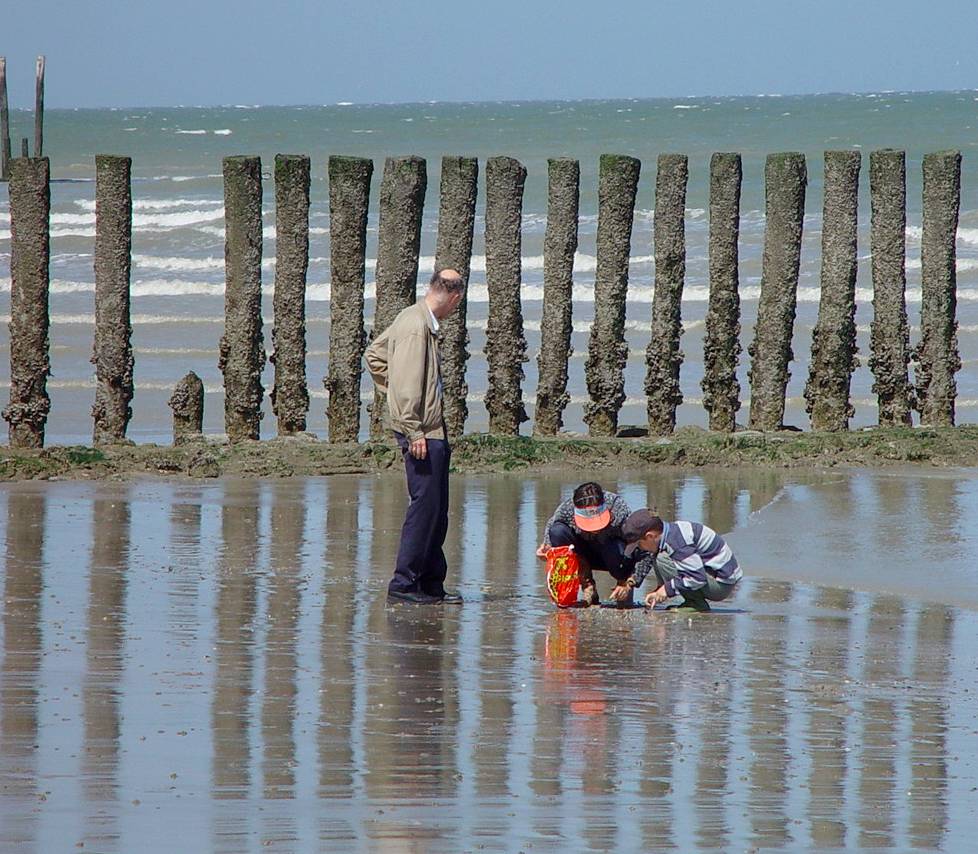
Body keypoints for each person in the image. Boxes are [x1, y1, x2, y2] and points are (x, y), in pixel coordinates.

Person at [365, 268, 465, 604]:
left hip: (430, 427)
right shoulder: (416, 327)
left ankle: (430, 584)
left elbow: (376, 354)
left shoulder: (416, 320)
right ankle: (404, 584)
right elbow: (406, 382)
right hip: (423, 430)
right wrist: (413, 428)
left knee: (437, 510)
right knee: (425, 509)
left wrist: (391, 389)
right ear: (454, 296)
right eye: (457, 304)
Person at [614, 508, 743, 612]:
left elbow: (697, 578)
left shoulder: (677, 543)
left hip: (721, 584)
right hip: (710, 574)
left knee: (662, 558)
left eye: (639, 544)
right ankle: (692, 599)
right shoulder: (670, 533)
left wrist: (666, 590)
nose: (640, 548)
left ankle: (696, 603)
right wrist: (659, 591)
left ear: (650, 536)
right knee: (658, 556)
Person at [537, 482, 638, 606]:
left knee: (615, 547)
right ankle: (588, 587)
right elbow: (552, 525)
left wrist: (629, 581)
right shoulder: (567, 508)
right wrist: (547, 547)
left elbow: (636, 545)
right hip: (582, 555)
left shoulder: (617, 507)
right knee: (557, 531)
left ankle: (622, 589)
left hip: (613, 554)